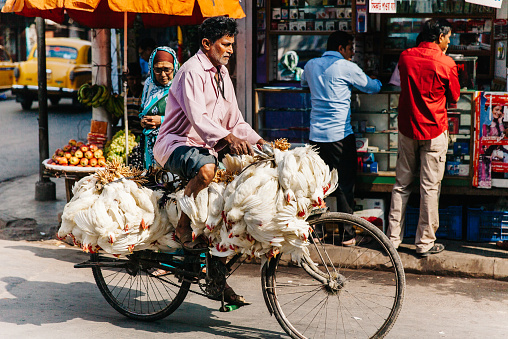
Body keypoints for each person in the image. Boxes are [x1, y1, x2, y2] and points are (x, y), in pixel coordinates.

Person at [154, 16, 265, 305]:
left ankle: (215, 279)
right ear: (207, 44)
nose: (230, 50)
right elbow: (198, 118)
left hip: (208, 147)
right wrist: (228, 138)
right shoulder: (192, 71)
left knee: (226, 206)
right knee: (206, 172)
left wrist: (259, 142)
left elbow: (235, 120)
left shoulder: (222, 73)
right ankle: (182, 225)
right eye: (225, 44)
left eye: (232, 44)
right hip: (177, 144)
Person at [387, 19, 460, 257]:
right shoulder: (446, 62)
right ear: (439, 37)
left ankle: (392, 239)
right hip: (434, 129)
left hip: (408, 128)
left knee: (401, 185)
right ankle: (424, 243)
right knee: (429, 188)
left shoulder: (406, 56)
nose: (449, 41)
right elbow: (455, 96)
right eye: (448, 37)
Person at [301, 30, 382, 245]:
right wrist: (379, 81)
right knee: (345, 184)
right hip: (339, 136)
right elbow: (372, 88)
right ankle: (347, 235)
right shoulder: (347, 67)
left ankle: (315, 233)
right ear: (341, 49)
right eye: (350, 48)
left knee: (317, 185)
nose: (353, 53)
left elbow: (302, 84)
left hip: (315, 136)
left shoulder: (310, 65)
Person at [139, 46, 179, 169]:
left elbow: (187, 117)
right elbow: (142, 110)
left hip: (171, 145)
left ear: (174, 67)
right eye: (157, 70)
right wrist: (143, 121)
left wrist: (161, 121)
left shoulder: (180, 87)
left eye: (167, 69)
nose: (163, 75)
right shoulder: (148, 84)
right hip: (150, 145)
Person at [125, 62, 143, 136]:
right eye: (131, 79)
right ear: (126, 79)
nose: (135, 82)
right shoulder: (124, 96)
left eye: (137, 79)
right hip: (127, 135)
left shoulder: (146, 95)